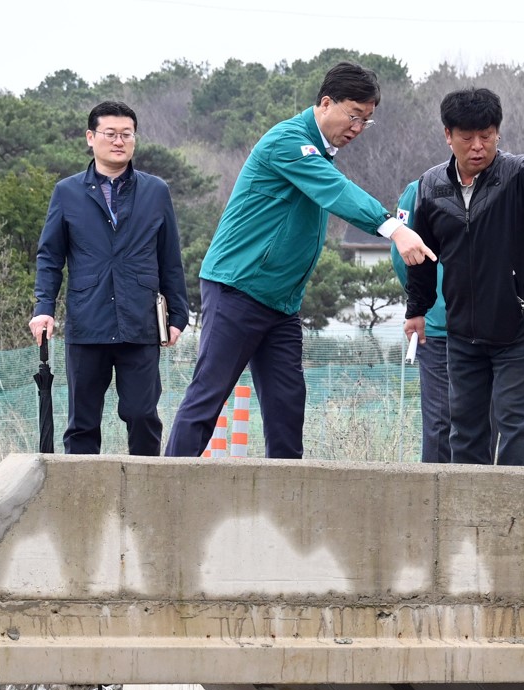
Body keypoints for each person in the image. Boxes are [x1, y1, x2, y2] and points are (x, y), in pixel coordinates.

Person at [165, 62, 433, 459]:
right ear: (325, 104)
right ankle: (166, 490)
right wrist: (394, 227)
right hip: (238, 288)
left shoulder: (322, 154)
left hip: (281, 303)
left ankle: (286, 497)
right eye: (353, 115)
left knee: (287, 407)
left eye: (366, 120)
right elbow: (335, 190)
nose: (358, 128)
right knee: (208, 396)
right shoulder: (289, 141)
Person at [404, 88, 524, 466]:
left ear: (497, 133)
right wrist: (417, 310)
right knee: (465, 430)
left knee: (515, 426)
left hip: (517, 330)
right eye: (467, 137)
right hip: (462, 332)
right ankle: (468, 502)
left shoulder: (515, 174)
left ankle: (515, 504)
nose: (478, 146)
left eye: (487, 136)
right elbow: (422, 257)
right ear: (448, 136)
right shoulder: (430, 187)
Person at [30, 100, 189, 456]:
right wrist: (43, 308)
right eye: (110, 133)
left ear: (134, 139)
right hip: (88, 321)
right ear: (91, 137)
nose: (119, 141)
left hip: (140, 321)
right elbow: (50, 256)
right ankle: (81, 492)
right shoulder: (67, 192)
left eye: (126, 134)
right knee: (82, 423)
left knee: (143, 415)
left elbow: (169, 257)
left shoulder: (156, 191)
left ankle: (146, 488)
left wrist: (178, 314)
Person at [392, 176, 453, 462]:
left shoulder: (495, 187)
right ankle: (435, 486)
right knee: (440, 420)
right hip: (436, 330)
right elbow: (400, 252)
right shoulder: (418, 189)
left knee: (482, 421)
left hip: (484, 328)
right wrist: (425, 303)